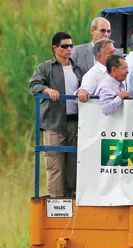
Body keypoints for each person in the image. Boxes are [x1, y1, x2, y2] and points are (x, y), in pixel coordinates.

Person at [29, 32, 83, 198]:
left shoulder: (76, 68)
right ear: (55, 48)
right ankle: (56, 200)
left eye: (71, 46)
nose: (69, 49)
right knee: (54, 162)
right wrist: (48, 90)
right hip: (54, 122)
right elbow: (34, 85)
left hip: (75, 121)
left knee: (74, 162)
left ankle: (72, 197)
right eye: (64, 46)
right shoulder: (45, 67)